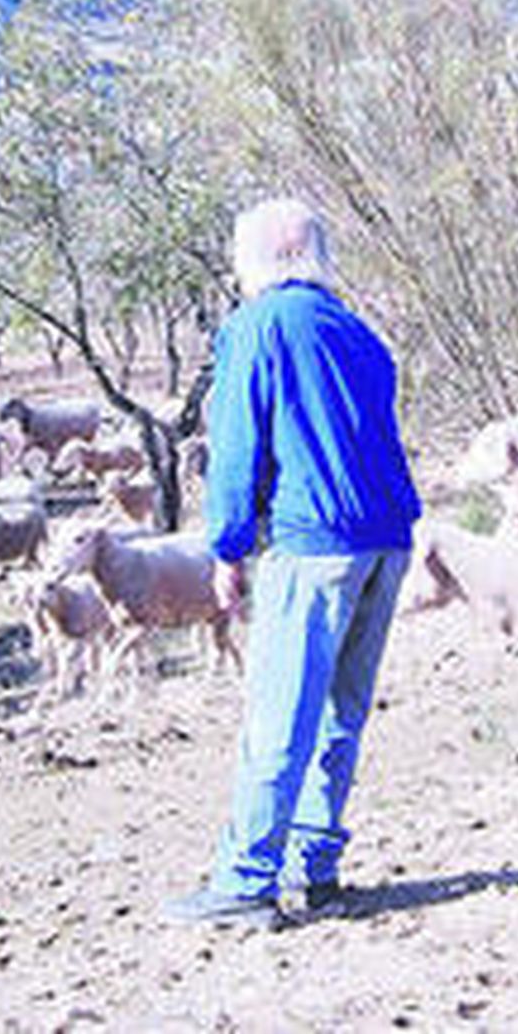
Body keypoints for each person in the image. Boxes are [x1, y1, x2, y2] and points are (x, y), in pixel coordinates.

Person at [162, 197, 422, 930]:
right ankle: (316, 868)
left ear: (261, 258)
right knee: (342, 711)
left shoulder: (257, 326)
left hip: (315, 540)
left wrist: (227, 546)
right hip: (387, 538)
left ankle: (246, 880)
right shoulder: (358, 332)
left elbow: (236, 444)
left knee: (280, 711)